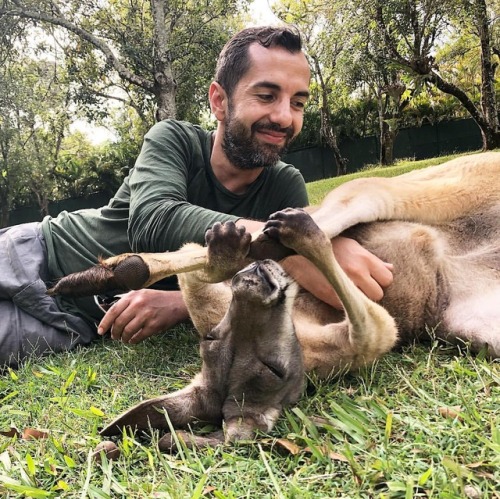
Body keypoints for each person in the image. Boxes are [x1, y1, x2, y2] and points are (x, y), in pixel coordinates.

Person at [0, 25, 392, 367]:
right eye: (267, 95)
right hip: (34, 254)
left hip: (76, 324)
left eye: (298, 102)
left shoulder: (285, 187)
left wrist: (182, 305)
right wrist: (293, 246)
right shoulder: (174, 140)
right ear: (219, 100)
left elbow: (268, 291)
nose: (285, 117)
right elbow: (154, 223)